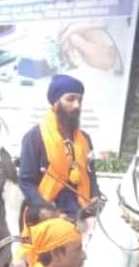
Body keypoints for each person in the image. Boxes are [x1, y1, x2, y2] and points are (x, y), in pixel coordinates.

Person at [18, 74, 100, 219]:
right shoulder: (34, 137)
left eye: (80, 100)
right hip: (48, 212)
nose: (77, 105)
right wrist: (48, 211)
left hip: (84, 211)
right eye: (70, 99)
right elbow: (26, 182)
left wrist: (95, 196)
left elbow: (90, 174)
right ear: (55, 103)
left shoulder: (85, 139)